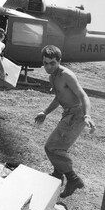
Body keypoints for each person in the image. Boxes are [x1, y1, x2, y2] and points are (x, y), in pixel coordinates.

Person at [35, 45, 95, 198]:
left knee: (52, 147)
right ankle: (57, 175)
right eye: (45, 63)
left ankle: (73, 179)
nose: (48, 66)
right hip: (68, 114)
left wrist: (87, 115)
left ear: (59, 61)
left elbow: (83, 96)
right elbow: (59, 97)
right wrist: (45, 112)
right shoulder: (52, 76)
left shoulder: (66, 75)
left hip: (76, 114)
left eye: (52, 63)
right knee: (57, 145)